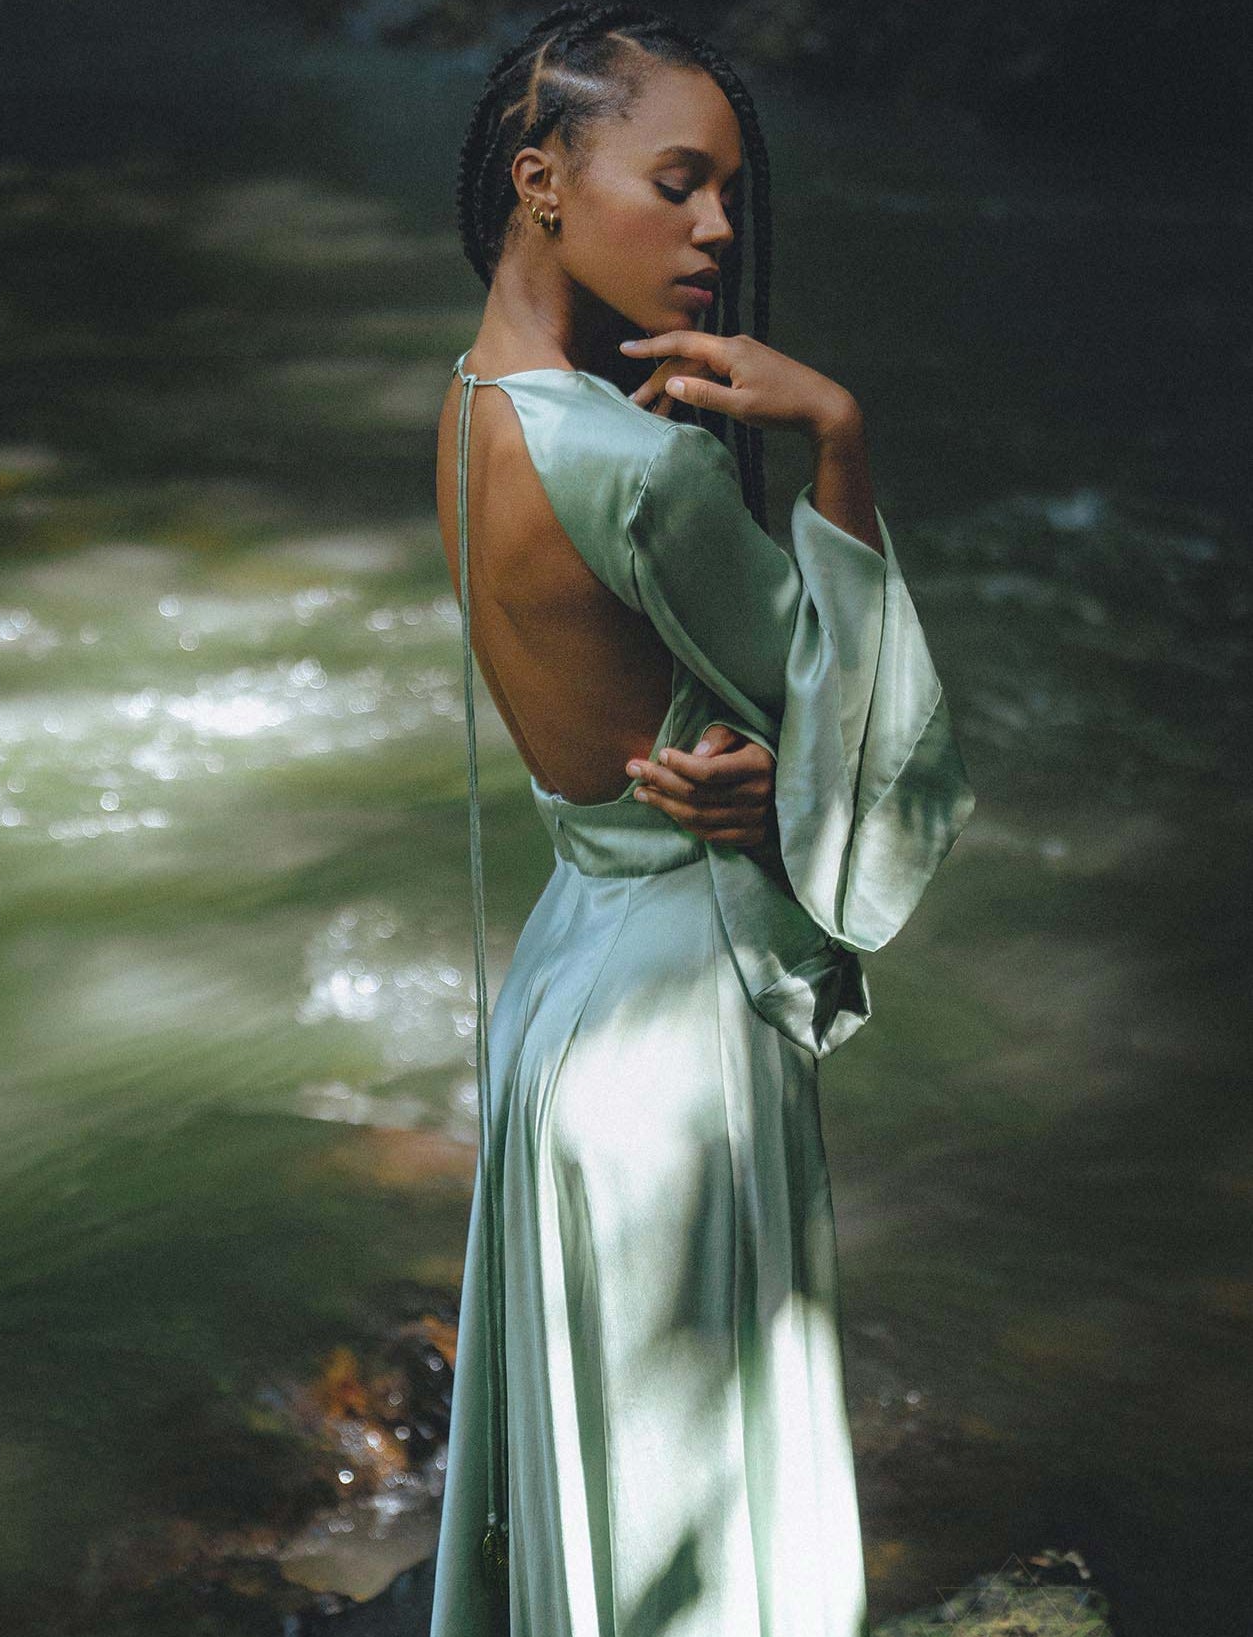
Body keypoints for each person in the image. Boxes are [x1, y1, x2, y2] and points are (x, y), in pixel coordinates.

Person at [430, 5, 976, 1634]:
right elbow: (877, 748)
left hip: (562, 993)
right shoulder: (639, 469)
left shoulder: (474, 404)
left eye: (726, 193)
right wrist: (835, 438)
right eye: (678, 184)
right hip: (675, 1032)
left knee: (613, 1509)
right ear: (541, 180)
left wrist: (740, 749)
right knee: (693, 1521)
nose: (718, 231)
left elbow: (659, 716)